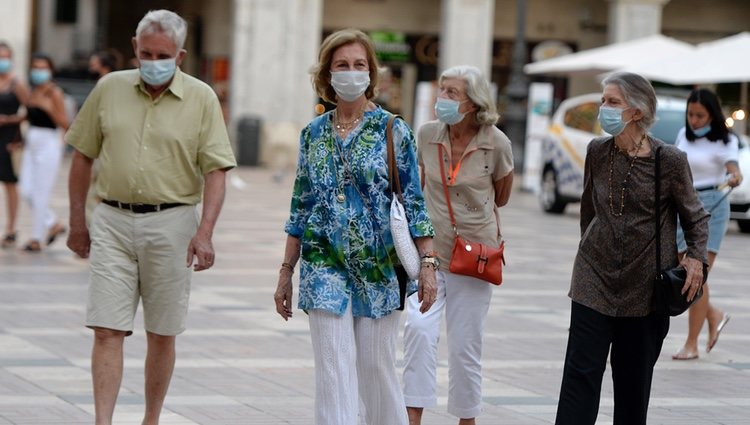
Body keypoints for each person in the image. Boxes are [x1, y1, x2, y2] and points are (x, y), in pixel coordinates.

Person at [65, 10, 236, 425]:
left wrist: (206, 233)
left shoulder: (201, 98)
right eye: (145, 53)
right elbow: (82, 156)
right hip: (112, 219)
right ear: (134, 49)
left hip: (173, 223)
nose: (152, 62)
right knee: (106, 329)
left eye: (163, 55)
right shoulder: (109, 88)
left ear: (179, 56)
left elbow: (216, 171)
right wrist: (77, 223)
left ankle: (151, 419)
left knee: (162, 332)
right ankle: (102, 421)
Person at [273, 28, 437, 425]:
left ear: (371, 72)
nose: (351, 72)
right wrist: (285, 272)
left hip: (379, 269)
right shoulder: (312, 134)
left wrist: (428, 265)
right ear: (328, 75)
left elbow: (414, 201)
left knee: (376, 370)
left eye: (359, 65)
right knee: (333, 371)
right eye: (342, 65)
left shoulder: (393, 130)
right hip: (322, 264)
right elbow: (301, 204)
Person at [554, 72, 709, 425]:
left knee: (632, 386)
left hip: (644, 288)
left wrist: (696, 258)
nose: (602, 108)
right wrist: (589, 250)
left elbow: (695, 218)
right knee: (580, 377)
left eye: (612, 102)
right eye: (603, 100)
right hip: (593, 279)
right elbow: (588, 209)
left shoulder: (668, 160)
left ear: (636, 112)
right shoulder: (597, 151)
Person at [402, 65, 514, 425]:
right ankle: (412, 417)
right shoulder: (427, 135)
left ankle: (467, 420)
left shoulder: (496, 142)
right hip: (431, 252)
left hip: (475, 256)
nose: (443, 99)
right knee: (418, 330)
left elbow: (503, 195)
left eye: (452, 93)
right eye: (442, 90)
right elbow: (419, 190)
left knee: (466, 347)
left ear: (474, 102)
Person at [672, 88, 742, 360]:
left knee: (697, 274)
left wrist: (735, 175)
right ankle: (714, 315)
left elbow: (733, 168)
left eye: (700, 115)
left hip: (712, 205)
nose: (694, 120)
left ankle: (692, 344)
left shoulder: (725, 141)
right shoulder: (682, 136)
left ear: (712, 115)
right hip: (683, 204)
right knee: (682, 269)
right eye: (690, 114)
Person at [19, 53, 69, 252]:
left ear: (50, 70)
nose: (38, 71)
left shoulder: (54, 93)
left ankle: (36, 238)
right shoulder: (32, 91)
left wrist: (49, 109)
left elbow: (66, 123)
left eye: (42, 67)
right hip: (31, 143)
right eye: (35, 67)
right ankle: (53, 223)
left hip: (48, 143)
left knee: (40, 193)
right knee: (25, 189)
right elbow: (27, 117)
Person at [0, 42, 29, 248]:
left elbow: (31, 111)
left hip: (8, 139)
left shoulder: (17, 84)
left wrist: (9, 120)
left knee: (10, 183)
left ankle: (11, 228)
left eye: (6, 56)